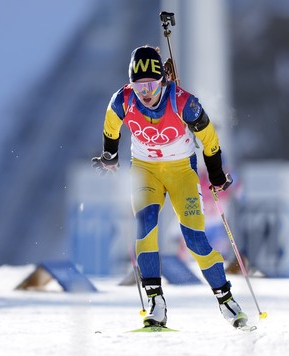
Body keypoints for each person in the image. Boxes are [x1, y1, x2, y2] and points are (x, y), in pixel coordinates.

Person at [91, 45, 247, 328]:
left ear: (162, 79)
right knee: (145, 227)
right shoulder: (123, 100)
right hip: (145, 170)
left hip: (181, 173)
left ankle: (226, 300)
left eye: (150, 84)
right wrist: (110, 157)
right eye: (139, 87)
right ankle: (156, 302)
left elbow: (210, 139)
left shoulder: (183, 102)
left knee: (195, 239)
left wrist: (215, 175)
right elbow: (110, 125)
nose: (146, 93)